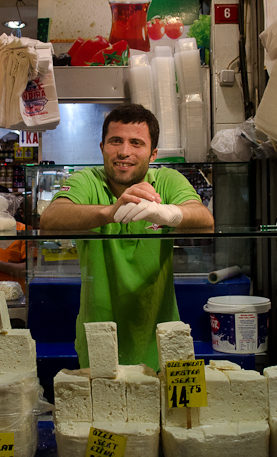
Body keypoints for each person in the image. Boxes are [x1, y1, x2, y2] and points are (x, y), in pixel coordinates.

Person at [40, 104, 213, 370]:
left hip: (162, 338)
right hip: (98, 338)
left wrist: (168, 213)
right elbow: (50, 220)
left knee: (166, 412)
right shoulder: (85, 180)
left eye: (136, 143)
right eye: (116, 141)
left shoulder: (167, 180)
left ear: (153, 153)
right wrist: (111, 211)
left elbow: (205, 220)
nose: (124, 152)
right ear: (102, 147)